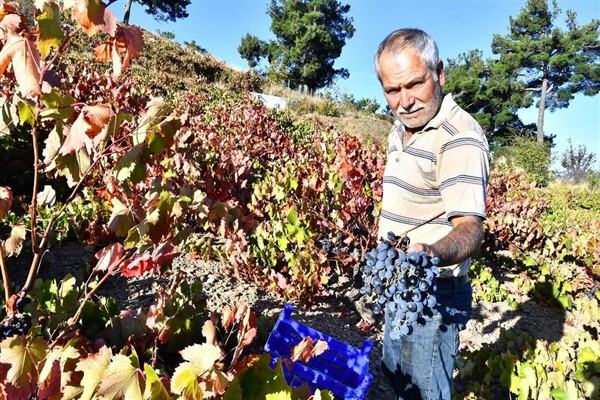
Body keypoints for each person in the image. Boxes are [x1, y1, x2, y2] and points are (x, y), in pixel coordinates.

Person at [373, 28, 490, 399]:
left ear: (439, 73)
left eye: (415, 84)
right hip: (402, 284)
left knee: (424, 393)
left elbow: (471, 228)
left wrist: (431, 254)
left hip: (433, 292)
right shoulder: (404, 127)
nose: (404, 101)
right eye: (393, 91)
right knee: (397, 382)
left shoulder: (458, 137)